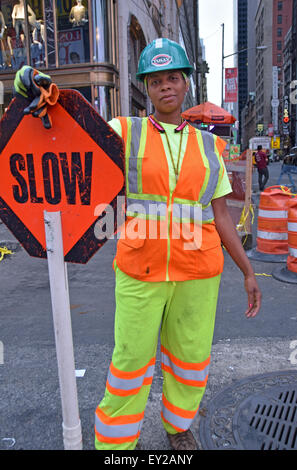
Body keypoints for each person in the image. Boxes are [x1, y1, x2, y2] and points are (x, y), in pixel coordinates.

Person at [13, 38, 262, 451]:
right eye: (156, 80)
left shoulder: (211, 147)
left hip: (199, 274)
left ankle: (178, 426)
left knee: (190, 359)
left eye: (173, 78)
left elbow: (221, 217)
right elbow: (81, 131)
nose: (166, 87)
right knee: (130, 361)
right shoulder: (124, 131)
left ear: (186, 85)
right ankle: (115, 447)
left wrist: (249, 271)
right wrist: (48, 94)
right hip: (140, 270)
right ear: (146, 88)